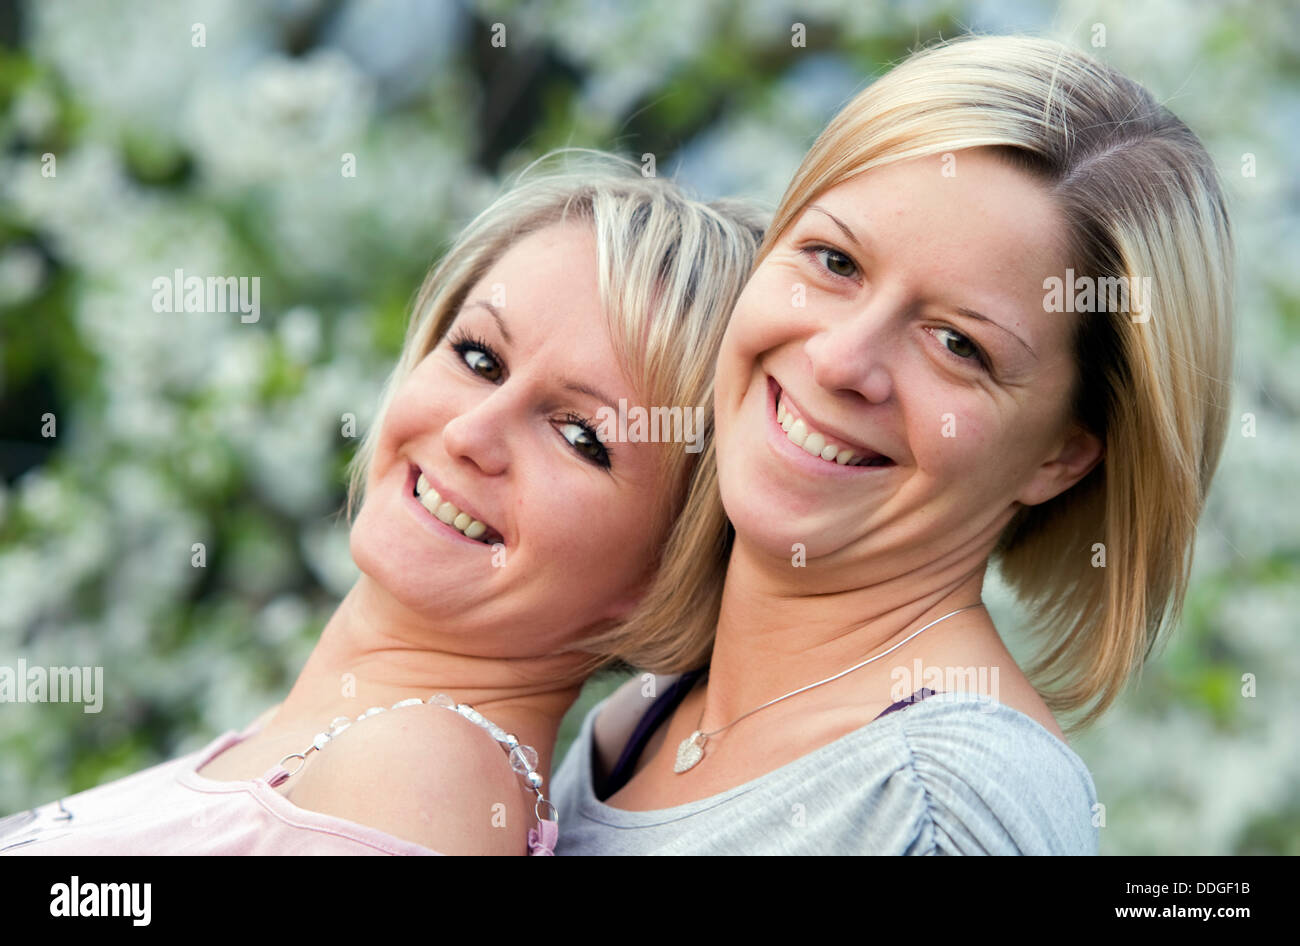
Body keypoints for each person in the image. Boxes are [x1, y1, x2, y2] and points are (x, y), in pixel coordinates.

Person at [549, 34, 1235, 854]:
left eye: (958, 345)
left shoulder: (942, 808)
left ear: (1064, 455)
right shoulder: (642, 718)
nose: (841, 360)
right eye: (834, 260)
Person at [0, 152, 765, 856]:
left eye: (580, 436)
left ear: (663, 573)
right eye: (479, 357)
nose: (471, 432)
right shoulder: (323, 750)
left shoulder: (423, 775)